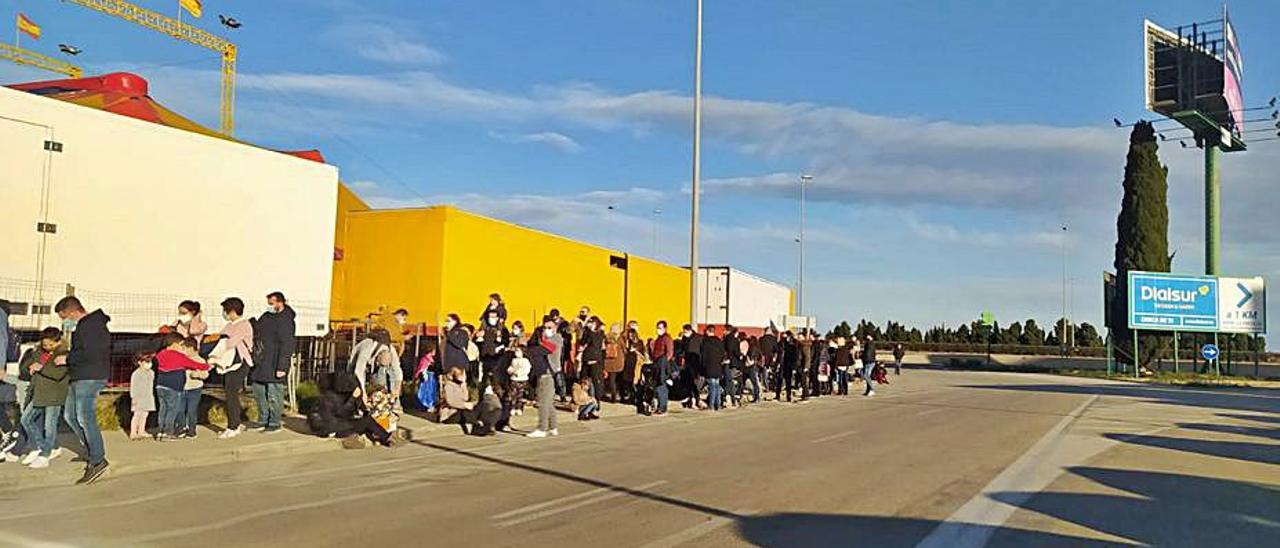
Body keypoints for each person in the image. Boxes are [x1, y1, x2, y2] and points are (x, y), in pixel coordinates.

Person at [55, 296, 111, 485]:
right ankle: (92, 451)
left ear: (72, 312)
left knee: (84, 418)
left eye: (64, 317)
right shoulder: (86, 326)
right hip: (80, 375)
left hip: (89, 376)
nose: (64, 322)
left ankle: (97, 459)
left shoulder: (91, 326)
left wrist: (67, 359)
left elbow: (91, 352)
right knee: (70, 416)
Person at [12, 328, 67, 468]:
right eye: (45, 344)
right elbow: (25, 367)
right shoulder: (38, 352)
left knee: (49, 426)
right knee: (26, 419)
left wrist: (40, 367)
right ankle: (40, 446)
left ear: (58, 341)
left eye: (50, 345)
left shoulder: (64, 354)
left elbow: (58, 374)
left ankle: (45, 455)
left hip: (54, 395)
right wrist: (30, 365)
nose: (47, 347)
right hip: (38, 393)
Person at [251, 292, 295, 434]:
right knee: (259, 390)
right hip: (263, 360)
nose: (269, 306)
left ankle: (275, 422)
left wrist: (282, 366)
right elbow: (258, 330)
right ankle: (263, 420)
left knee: (274, 393)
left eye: (271, 303)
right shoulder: (266, 317)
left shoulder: (286, 320)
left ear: (279, 303)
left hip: (275, 361)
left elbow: (287, 344)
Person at [308, 372, 390, 446]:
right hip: (331, 426)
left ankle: (370, 439)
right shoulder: (334, 396)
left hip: (323, 429)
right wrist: (353, 398)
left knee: (359, 424)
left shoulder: (327, 394)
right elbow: (343, 413)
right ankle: (387, 438)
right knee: (367, 421)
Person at [212, 298, 254, 439]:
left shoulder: (243, 325)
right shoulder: (229, 325)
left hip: (239, 363)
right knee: (230, 394)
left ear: (232, 311)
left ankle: (233, 426)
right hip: (228, 364)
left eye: (226, 310)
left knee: (231, 395)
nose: (224, 314)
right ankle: (234, 423)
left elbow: (230, 343)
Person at [155, 334, 209, 441]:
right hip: (174, 387)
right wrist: (207, 366)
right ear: (175, 345)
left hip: (161, 386)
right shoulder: (179, 356)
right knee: (173, 410)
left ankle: (161, 431)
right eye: (181, 346)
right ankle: (168, 432)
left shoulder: (161, 354)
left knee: (163, 409)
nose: (182, 349)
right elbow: (194, 364)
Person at [526, 317, 561, 438]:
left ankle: (542, 428)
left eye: (549, 328)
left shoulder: (556, 339)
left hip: (548, 373)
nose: (546, 330)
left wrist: (533, 345)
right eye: (545, 328)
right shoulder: (546, 340)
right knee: (548, 402)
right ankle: (553, 426)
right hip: (543, 373)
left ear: (555, 328)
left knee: (542, 402)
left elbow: (547, 349)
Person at [649, 321, 674, 415]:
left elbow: (669, 353)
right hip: (657, 364)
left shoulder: (667, 339)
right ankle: (659, 406)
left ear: (665, 328)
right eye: (657, 327)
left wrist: (663, 363)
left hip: (662, 365)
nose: (658, 330)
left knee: (661, 386)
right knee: (658, 387)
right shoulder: (658, 338)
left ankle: (662, 408)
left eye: (660, 328)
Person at [129, 352, 156, 440]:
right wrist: (133, 397)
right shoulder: (136, 374)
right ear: (140, 362)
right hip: (138, 397)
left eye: (150, 362)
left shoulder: (151, 373)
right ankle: (133, 432)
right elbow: (133, 386)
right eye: (146, 362)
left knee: (145, 414)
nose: (149, 364)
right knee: (137, 414)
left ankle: (141, 430)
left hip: (147, 396)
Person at [580, 316, 606, 401]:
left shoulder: (599, 334)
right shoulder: (586, 333)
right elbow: (582, 342)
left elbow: (596, 344)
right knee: (584, 379)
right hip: (586, 359)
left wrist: (591, 331)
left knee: (596, 381)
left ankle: (597, 399)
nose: (589, 324)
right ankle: (584, 398)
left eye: (591, 323)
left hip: (595, 360)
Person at [700, 326, 725, 411]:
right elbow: (723, 353)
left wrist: (702, 366)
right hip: (718, 366)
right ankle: (718, 404)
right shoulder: (719, 341)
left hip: (709, 366)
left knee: (712, 386)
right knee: (717, 385)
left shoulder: (705, 342)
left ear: (707, 331)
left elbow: (703, 356)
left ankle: (711, 405)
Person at [506, 345, 531, 416]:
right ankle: (513, 408)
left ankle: (519, 408)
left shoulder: (525, 361)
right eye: (516, 351)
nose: (516, 353)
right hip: (514, 379)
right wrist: (510, 371)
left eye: (518, 351)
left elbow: (527, 369)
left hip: (522, 379)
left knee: (520, 395)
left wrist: (519, 373)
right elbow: (510, 367)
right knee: (513, 395)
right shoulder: (514, 360)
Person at [777, 331, 799, 403]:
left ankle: (788, 396)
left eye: (786, 337)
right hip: (781, 365)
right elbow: (778, 354)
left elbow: (795, 358)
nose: (785, 338)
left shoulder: (793, 346)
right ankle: (777, 395)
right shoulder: (780, 345)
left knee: (788, 382)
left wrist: (794, 367)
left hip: (788, 366)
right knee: (779, 380)